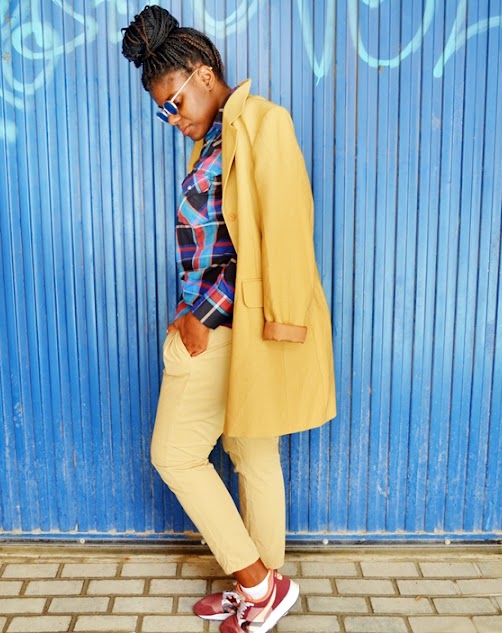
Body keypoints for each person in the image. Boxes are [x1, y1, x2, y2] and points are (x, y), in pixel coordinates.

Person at [121, 6, 336, 632]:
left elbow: (276, 236)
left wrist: (202, 316)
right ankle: (263, 592)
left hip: (234, 328)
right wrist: (188, 308)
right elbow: (215, 243)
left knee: (175, 455)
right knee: (250, 451)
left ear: (204, 74)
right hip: (220, 322)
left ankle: (259, 586)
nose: (172, 117)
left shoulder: (263, 124)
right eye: (162, 111)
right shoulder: (211, 142)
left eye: (173, 102)